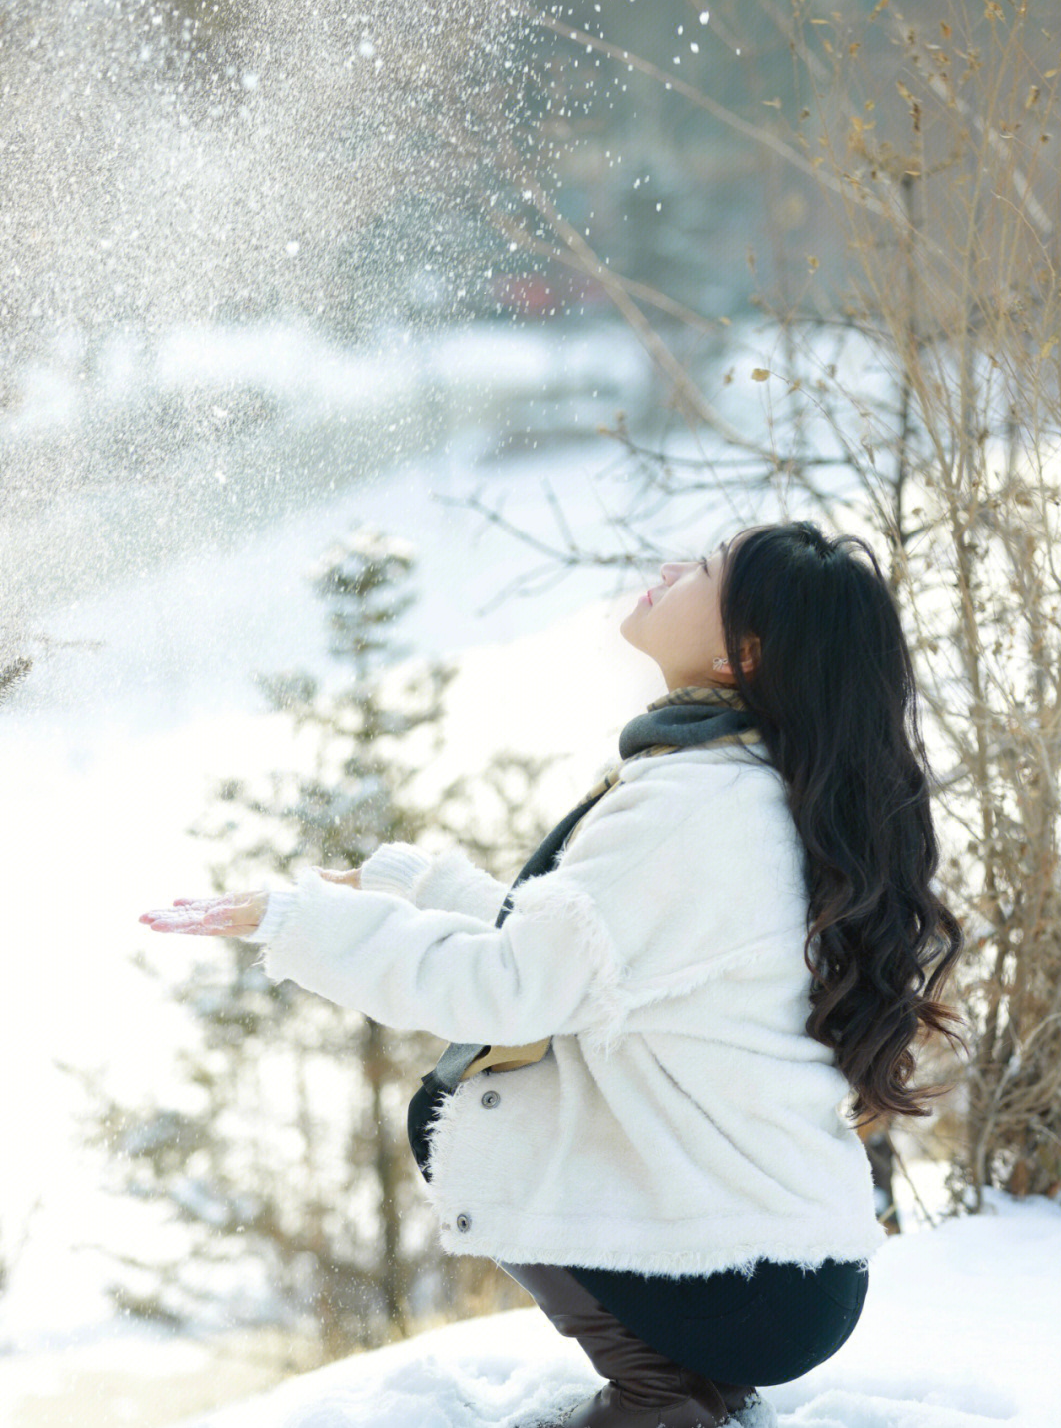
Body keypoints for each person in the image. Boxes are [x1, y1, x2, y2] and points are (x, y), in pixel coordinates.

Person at [141, 520, 965, 1428]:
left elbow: (513, 986)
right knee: (497, 1083)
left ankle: (662, 1395)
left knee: (456, 1104)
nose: (667, 569)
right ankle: (697, 1381)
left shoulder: (694, 804)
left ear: (745, 655)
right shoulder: (750, 786)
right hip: (789, 1265)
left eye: (701, 570)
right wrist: (401, 882)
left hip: (741, 1276)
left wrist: (300, 924)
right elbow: (579, 947)